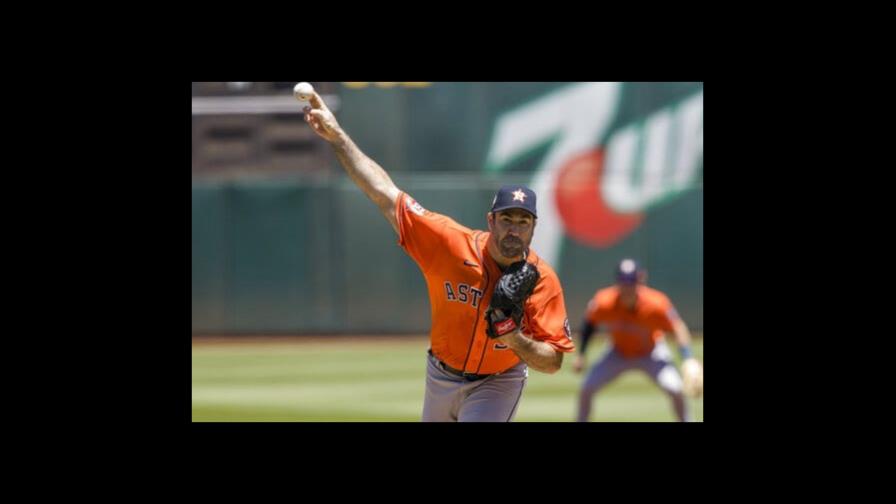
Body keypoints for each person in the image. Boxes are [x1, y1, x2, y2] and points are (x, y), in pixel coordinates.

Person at [301, 90, 574, 422]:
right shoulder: (448, 242)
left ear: (533, 228)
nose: (513, 230)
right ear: (491, 221)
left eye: (523, 222)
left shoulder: (542, 280)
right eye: (507, 219)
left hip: (498, 381)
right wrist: (338, 137)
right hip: (440, 376)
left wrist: (513, 336)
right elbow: (385, 194)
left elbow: (553, 361)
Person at [573, 259, 703, 422]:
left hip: (651, 353)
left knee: (675, 389)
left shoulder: (657, 303)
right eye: (623, 281)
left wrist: (687, 357)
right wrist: (581, 354)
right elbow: (589, 324)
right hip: (617, 352)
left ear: (640, 280)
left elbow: (678, 327)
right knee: (587, 387)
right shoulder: (604, 301)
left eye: (631, 281)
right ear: (617, 282)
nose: (627, 287)